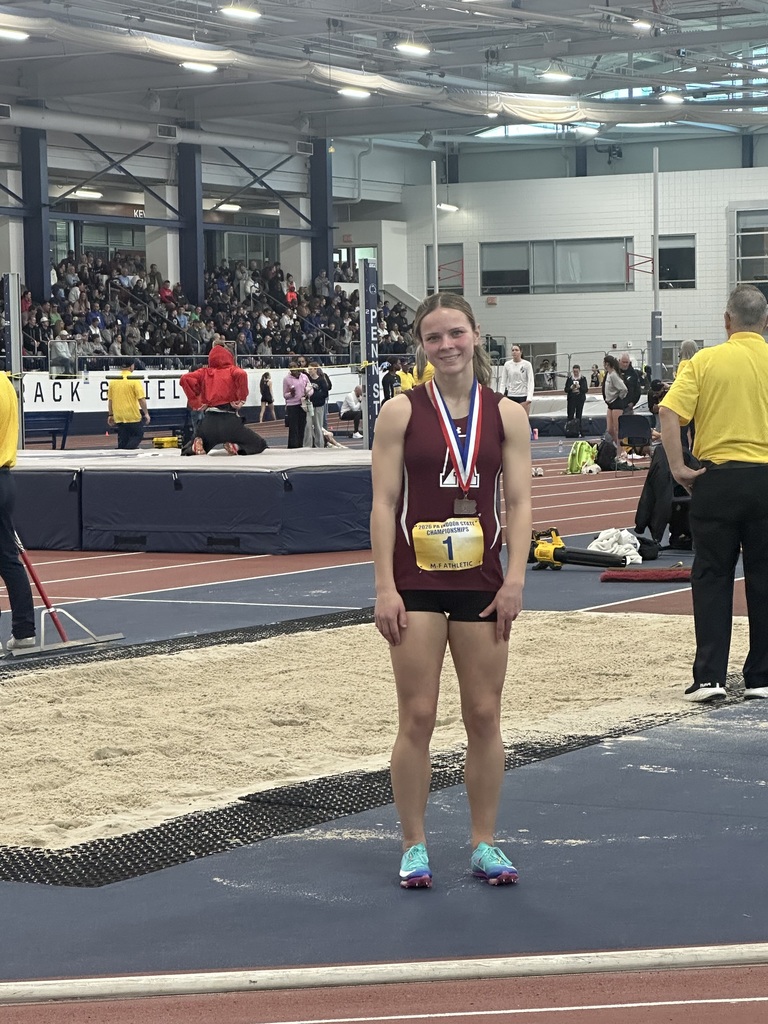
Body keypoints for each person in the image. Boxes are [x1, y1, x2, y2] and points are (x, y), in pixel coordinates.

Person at [371, 291, 532, 889]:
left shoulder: (506, 414)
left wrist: (515, 578)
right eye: (434, 337)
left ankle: (484, 842)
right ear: (422, 346)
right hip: (414, 582)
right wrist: (384, 586)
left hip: (482, 584)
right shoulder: (401, 412)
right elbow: (383, 504)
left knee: (485, 714)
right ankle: (414, 843)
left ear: (475, 334)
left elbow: (517, 501)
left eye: (455, 334)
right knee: (417, 715)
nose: (446, 346)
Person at [660, 284, 768, 704]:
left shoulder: (703, 361)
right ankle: (761, 677)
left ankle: (709, 678)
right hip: (765, 479)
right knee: (764, 578)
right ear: (765, 322)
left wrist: (677, 467)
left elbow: (669, 413)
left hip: (716, 479)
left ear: (726, 321)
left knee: (711, 575)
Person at [0, 373, 37, 651]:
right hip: (5, 479)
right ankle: (24, 632)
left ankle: (24, 631)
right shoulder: (5, 381)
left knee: (7, 560)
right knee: (8, 560)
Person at [179, 344, 267, 456]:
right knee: (258, 444)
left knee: (188, 448)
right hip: (229, 421)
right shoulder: (232, 370)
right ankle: (236, 446)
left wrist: (197, 401)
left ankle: (194, 446)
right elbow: (242, 374)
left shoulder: (205, 372)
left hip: (209, 422)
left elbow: (185, 379)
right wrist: (242, 399)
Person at [107, 361, 150, 449]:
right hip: (132, 415)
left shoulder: (114, 380)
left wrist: (110, 414)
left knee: (124, 437)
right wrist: (146, 413)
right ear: (131, 366)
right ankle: (129, 449)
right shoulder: (134, 380)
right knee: (138, 434)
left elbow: (110, 400)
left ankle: (122, 451)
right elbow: (141, 399)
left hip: (118, 415)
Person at [498, 344, 534, 415]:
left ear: (521, 352)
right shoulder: (507, 364)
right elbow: (503, 381)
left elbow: (531, 381)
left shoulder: (527, 364)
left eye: (516, 350)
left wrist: (529, 398)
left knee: (524, 418)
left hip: (523, 395)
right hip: (511, 395)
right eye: (513, 350)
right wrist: (501, 395)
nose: (514, 352)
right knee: (512, 418)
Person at [283, 361, 311, 449]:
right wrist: (291, 394)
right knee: (293, 426)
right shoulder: (287, 379)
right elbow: (285, 395)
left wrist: (308, 394)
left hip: (302, 404)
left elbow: (310, 388)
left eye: (294, 367)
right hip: (292, 405)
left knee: (302, 425)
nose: (293, 369)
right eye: (291, 367)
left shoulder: (304, 377)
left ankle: (300, 444)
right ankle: (292, 446)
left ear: (298, 367)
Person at [602, 354, 628, 449]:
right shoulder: (608, 374)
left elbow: (624, 389)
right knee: (610, 429)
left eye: (604, 363)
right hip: (610, 403)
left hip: (616, 403)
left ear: (607, 364)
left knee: (617, 429)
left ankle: (622, 450)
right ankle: (618, 446)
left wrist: (619, 397)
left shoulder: (613, 375)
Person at [564, 363, 588, 433]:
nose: (576, 373)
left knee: (579, 414)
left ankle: (579, 430)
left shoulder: (583, 379)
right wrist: (571, 388)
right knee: (570, 414)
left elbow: (585, 389)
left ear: (579, 371)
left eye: (577, 372)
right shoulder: (570, 379)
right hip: (572, 399)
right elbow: (566, 389)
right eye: (574, 372)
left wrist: (579, 387)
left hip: (580, 399)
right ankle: (570, 430)